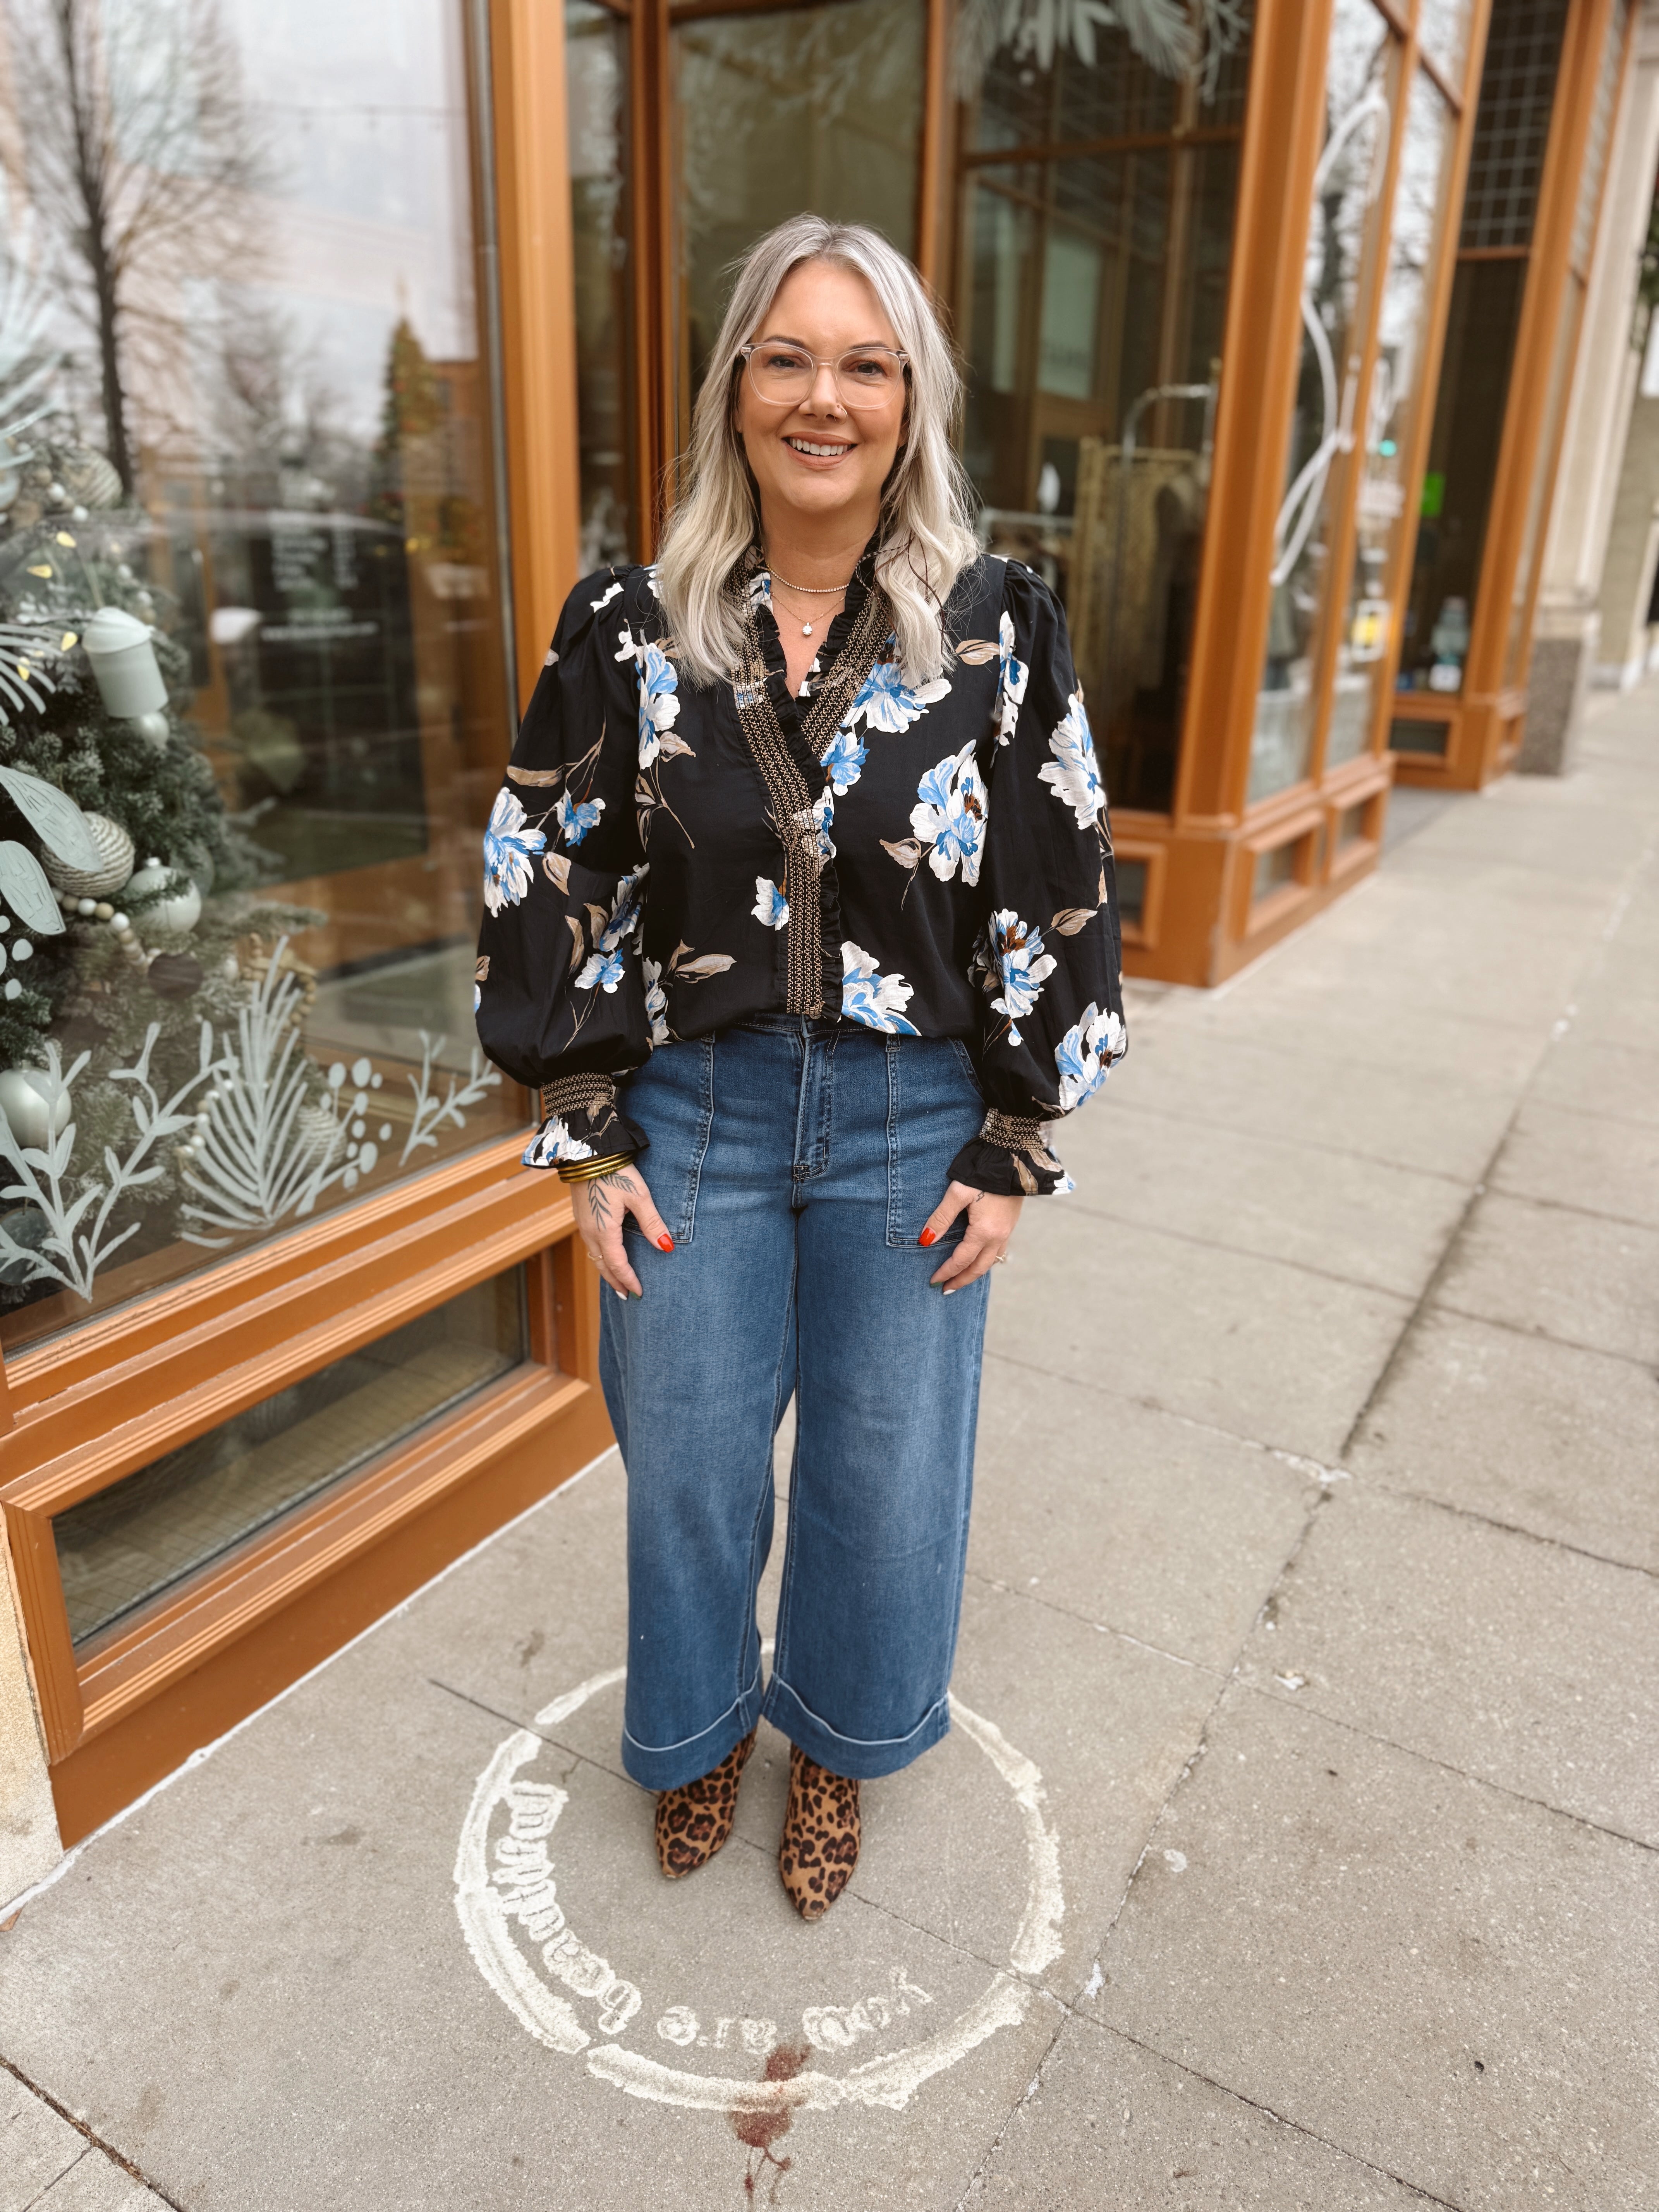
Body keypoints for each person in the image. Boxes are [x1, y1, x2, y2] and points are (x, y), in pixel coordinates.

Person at [476, 214, 1125, 1922]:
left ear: (911, 401)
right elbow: (550, 862)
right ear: (737, 390)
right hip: (694, 1109)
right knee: (684, 1453)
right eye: (788, 357)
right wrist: (581, 1126)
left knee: (883, 1464)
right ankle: (694, 1737)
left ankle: (832, 1736)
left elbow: (1058, 873)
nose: (822, 397)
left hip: (913, 1117)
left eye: (864, 363)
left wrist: (1017, 1140)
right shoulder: (631, 625)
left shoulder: (996, 628)